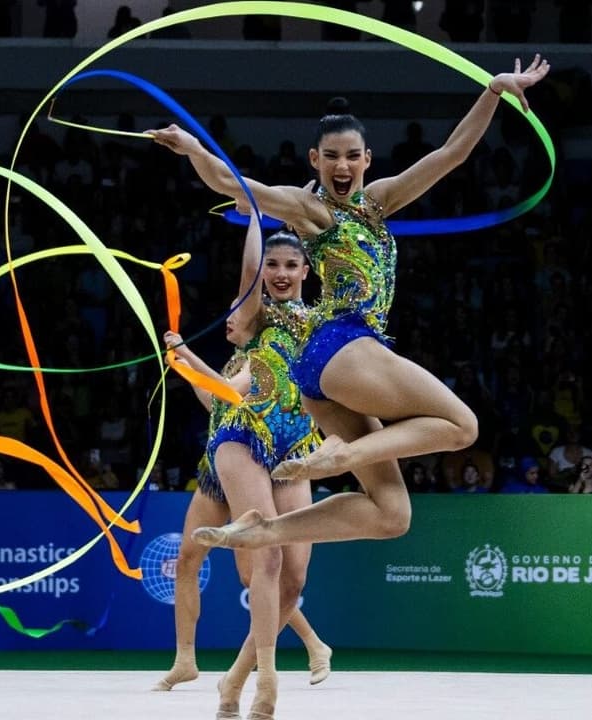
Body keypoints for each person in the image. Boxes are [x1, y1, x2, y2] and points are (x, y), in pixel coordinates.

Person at [145, 55, 550, 550]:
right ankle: (338, 458)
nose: (342, 166)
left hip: (325, 377)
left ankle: (264, 529)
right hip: (343, 343)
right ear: (315, 160)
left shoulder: (379, 201)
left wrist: (493, 91)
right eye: (332, 156)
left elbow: (450, 155)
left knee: (391, 514)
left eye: (352, 156)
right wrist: (192, 147)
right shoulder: (311, 209)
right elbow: (233, 184)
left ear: (367, 159)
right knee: (463, 426)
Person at [156, 212, 330, 719]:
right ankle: (196, 661)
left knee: (285, 577)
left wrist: (250, 205)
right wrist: (187, 364)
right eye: (272, 264)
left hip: (293, 448)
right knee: (231, 564)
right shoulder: (253, 337)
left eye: (290, 264)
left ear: (305, 271)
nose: (278, 272)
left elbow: (232, 388)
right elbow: (222, 401)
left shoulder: (314, 321)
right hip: (235, 453)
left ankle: (281, 659)